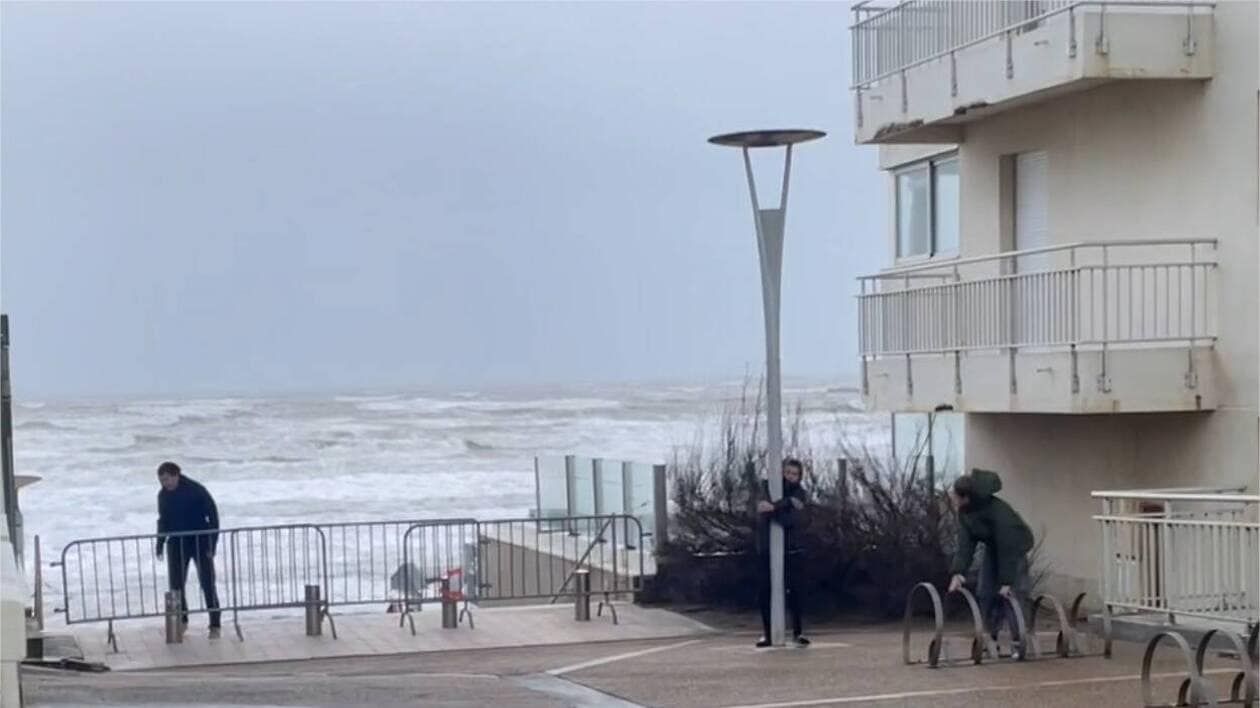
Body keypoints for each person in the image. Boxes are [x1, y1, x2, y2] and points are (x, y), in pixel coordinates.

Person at [947, 468, 1034, 656]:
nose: (952, 498)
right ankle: (990, 638)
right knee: (985, 592)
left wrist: (1006, 581)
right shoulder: (965, 512)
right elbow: (965, 545)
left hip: (1014, 548)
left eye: (955, 495)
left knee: (1012, 596)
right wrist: (958, 572)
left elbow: (1007, 547)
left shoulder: (999, 514)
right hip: (994, 549)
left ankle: (1018, 642)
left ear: (966, 497)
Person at [155, 461, 222, 638]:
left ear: (176, 475)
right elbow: (163, 520)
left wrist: (212, 544)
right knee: (176, 585)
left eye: (168, 479)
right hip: (177, 542)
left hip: (200, 541)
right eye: (162, 480)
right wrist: (160, 543)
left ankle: (215, 624)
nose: (165, 484)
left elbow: (213, 516)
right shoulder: (163, 495)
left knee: (207, 583)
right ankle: (182, 620)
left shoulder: (196, 490)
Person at [755, 458, 810, 648]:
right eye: (787, 472)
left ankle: (798, 631)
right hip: (766, 548)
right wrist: (784, 505)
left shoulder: (800, 494)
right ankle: (768, 633)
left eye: (794, 474)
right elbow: (759, 510)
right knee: (765, 590)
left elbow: (791, 520)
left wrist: (775, 507)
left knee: (794, 591)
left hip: (791, 549)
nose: (790, 477)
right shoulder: (766, 487)